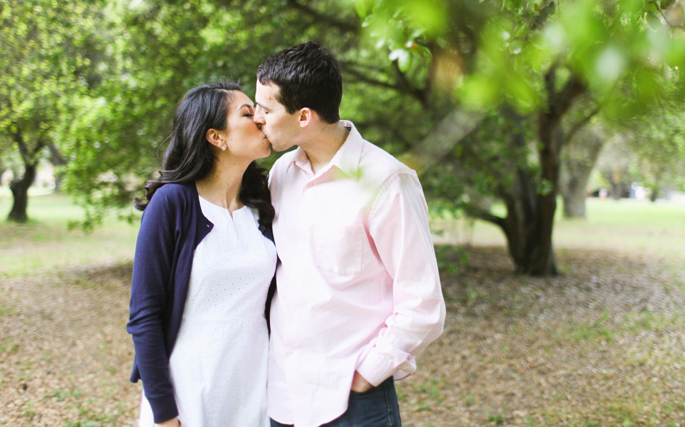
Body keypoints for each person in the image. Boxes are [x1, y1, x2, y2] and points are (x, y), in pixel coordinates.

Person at [253, 42, 446, 427]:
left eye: (266, 108)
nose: (257, 118)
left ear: (304, 116)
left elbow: (423, 302)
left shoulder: (386, 182)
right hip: (283, 397)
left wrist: (365, 375)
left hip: (352, 402)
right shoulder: (280, 174)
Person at [127, 82, 276, 427]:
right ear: (216, 137)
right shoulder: (173, 204)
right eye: (247, 114)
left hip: (257, 391)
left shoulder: (263, 206)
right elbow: (144, 315)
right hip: (189, 391)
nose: (262, 120)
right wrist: (165, 414)